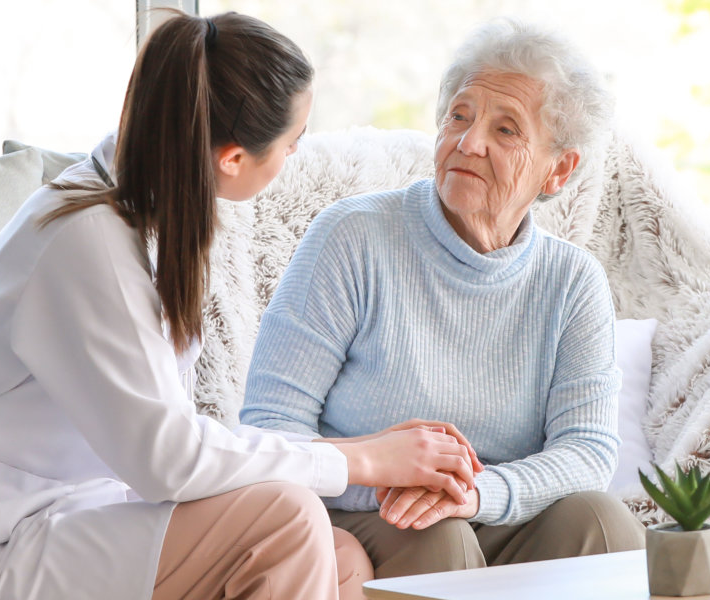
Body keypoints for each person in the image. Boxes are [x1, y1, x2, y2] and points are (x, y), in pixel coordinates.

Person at [0, 11, 480, 600]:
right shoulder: (85, 242)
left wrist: (358, 456)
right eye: (292, 143)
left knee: (342, 556)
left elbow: (170, 442)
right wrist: (361, 459)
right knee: (288, 522)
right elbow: (167, 459)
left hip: (68, 512)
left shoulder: (142, 218)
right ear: (232, 159)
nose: (297, 154)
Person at [239, 18, 644, 580]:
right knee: (436, 541)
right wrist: (390, 482)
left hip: (493, 510)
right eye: (459, 115)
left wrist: (475, 492)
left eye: (506, 130)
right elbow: (268, 426)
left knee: (605, 525)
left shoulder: (572, 280)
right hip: (365, 514)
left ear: (560, 169)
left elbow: (588, 452)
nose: (468, 142)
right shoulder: (352, 237)